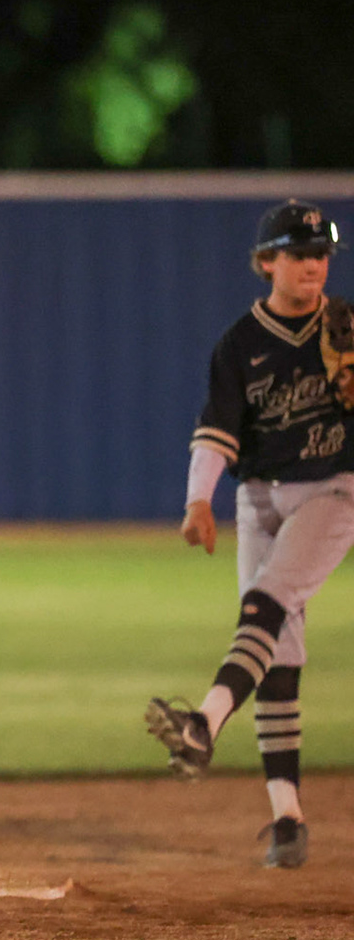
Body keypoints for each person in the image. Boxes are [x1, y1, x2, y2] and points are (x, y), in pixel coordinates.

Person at [147, 199, 350, 868]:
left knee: (262, 605)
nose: (313, 264)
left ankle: (203, 721)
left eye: (321, 253)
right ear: (268, 263)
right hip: (260, 497)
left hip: (334, 489)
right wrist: (197, 501)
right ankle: (287, 819)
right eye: (298, 253)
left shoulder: (348, 329)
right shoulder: (241, 343)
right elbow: (218, 431)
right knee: (277, 655)